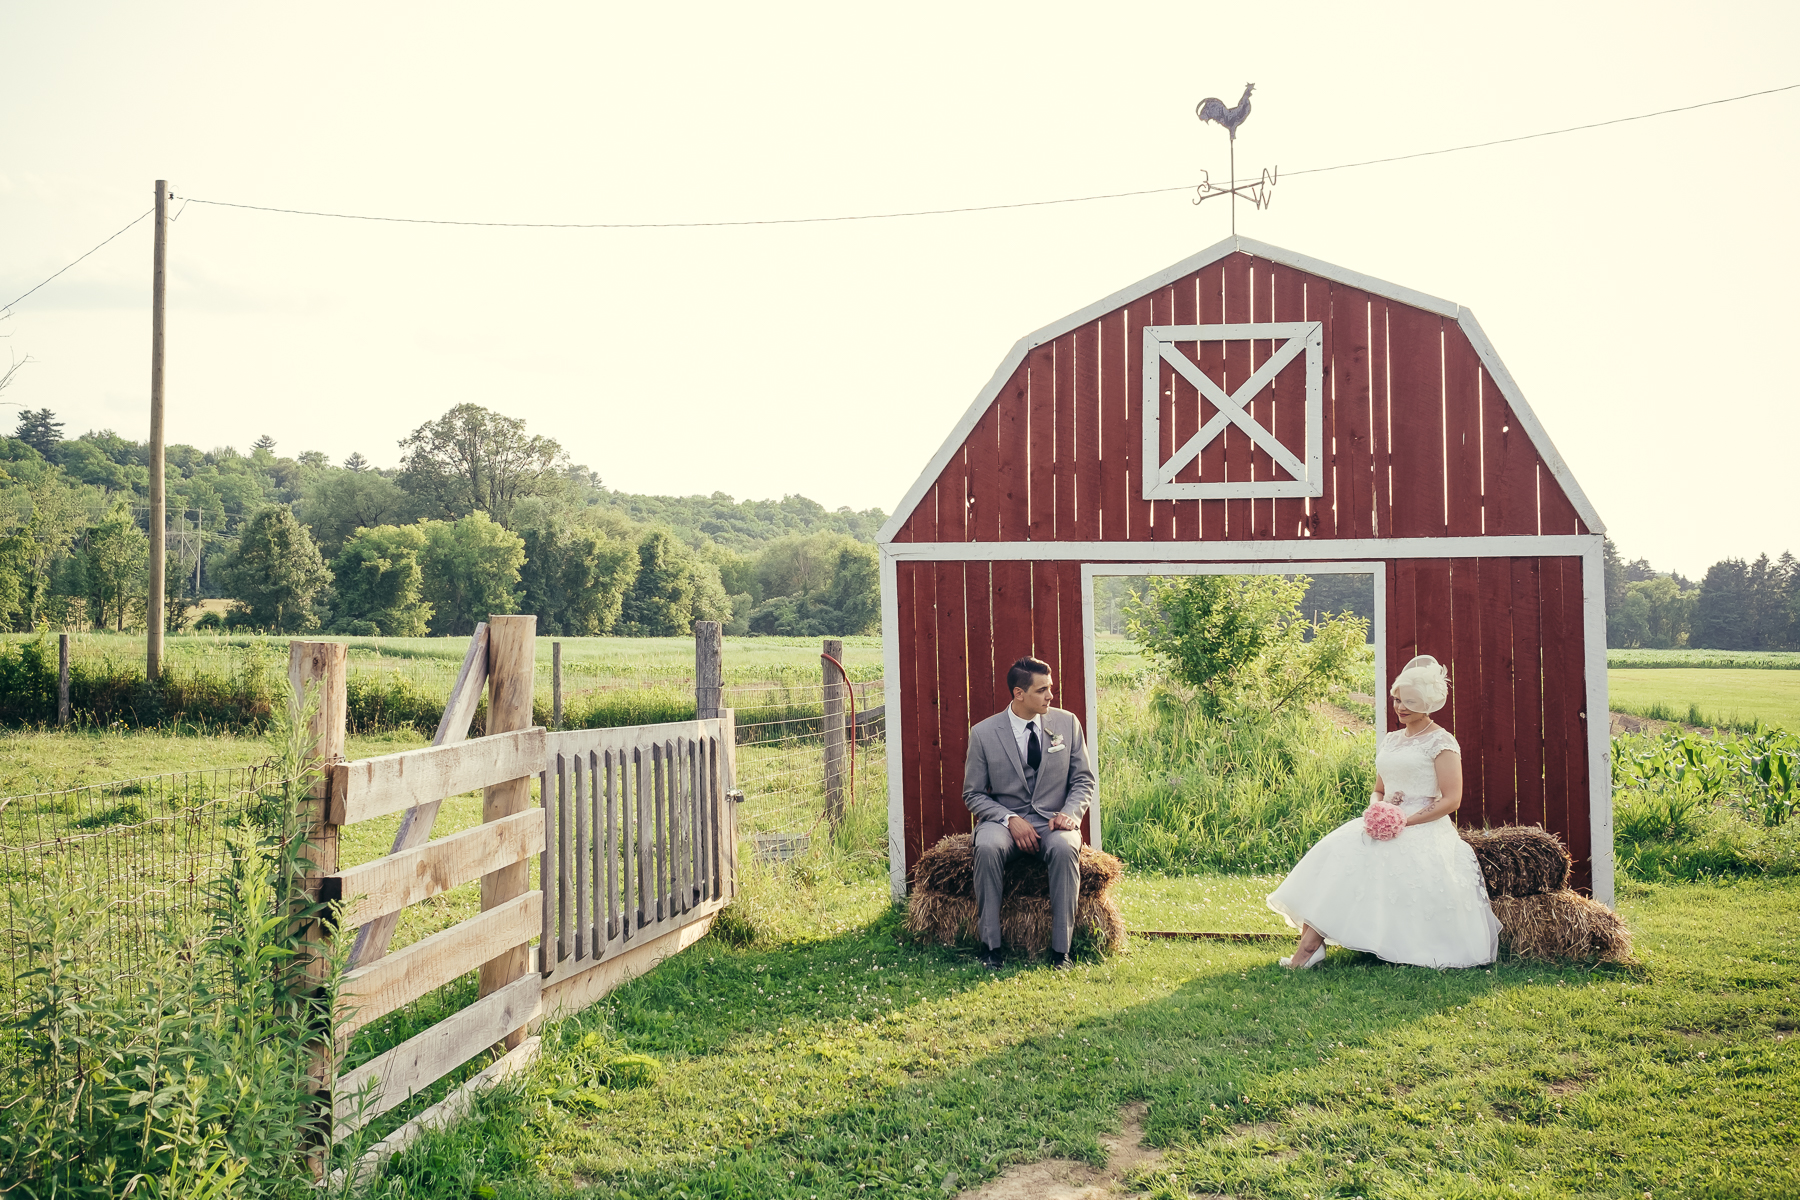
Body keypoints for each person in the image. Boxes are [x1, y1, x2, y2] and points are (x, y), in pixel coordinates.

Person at [1265, 654, 1500, 969]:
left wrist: (1406, 820)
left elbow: (1451, 799)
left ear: (1428, 704)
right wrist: (1377, 809)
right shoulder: (1391, 740)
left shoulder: (1442, 743)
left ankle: (1308, 950)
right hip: (1381, 820)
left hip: (1423, 824)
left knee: (1367, 857)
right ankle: (1310, 947)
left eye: (1409, 702)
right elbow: (1379, 788)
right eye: (1398, 700)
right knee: (1337, 853)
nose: (1400, 707)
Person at [962, 656, 1095, 970]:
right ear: (1018, 694)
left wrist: (1071, 813)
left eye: (1051, 688)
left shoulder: (1067, 724)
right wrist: (1009, 819)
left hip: (1053, 821)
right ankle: (990, 948)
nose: (1051, 696)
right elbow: (973, 794)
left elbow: (1083, 779)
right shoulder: (983, 734)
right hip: (1003, 820)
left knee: (1065, 848)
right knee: (987, 846)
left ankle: (1061, 952)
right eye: (1042, 690)